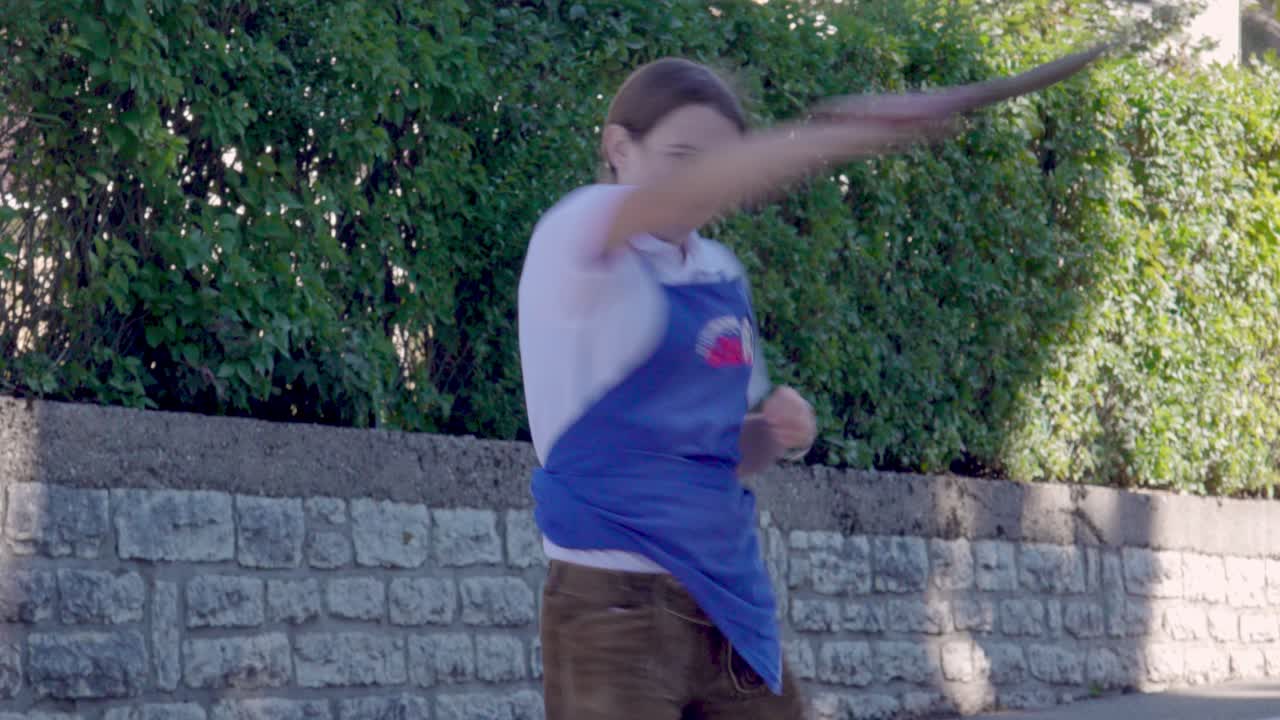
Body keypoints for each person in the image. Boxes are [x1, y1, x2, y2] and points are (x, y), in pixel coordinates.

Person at [517, 50, 1104, 719]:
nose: (707, 181)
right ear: (619, 147)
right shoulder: (581, 232)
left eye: (723, 162)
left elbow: (723, 455)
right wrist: (849, 132)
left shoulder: (718, 272)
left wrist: (774, 434)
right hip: (612, 606)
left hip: (730, 604)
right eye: (685, 155)